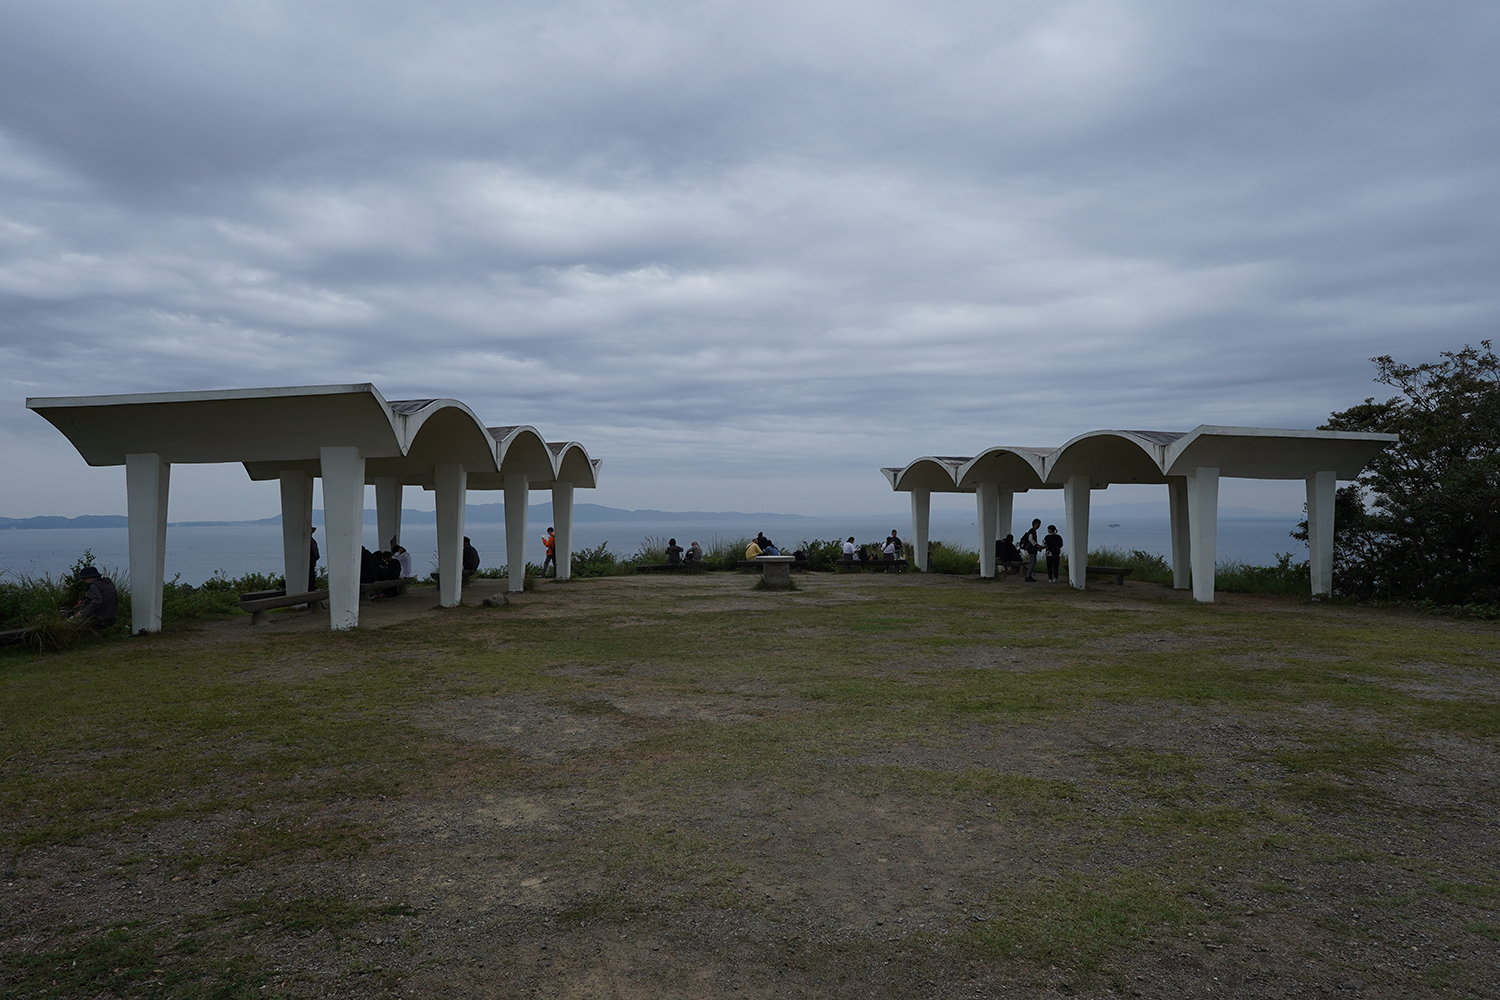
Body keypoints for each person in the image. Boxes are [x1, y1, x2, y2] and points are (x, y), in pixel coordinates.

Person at [308, 527, 320, 591]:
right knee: (311, 576)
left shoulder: (309, 541)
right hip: (311, 562)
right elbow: (316, 554)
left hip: (307, 563)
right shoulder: (312, 541)